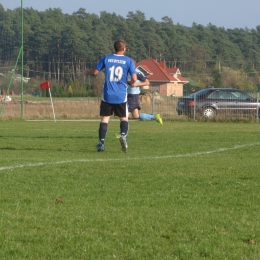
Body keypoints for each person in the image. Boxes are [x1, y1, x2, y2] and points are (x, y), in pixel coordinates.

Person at [85, 40, 137, 152]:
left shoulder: (106, 58)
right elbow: (134, 78)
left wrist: (87, 72)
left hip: (107, 94)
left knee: (104, 119)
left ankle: (102, 143)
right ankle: (123, 135)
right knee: (124, 118)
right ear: (124, 49)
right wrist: (132, 82)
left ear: (115, 48)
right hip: (121, 95)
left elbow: (95, 72)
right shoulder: (128, 60)